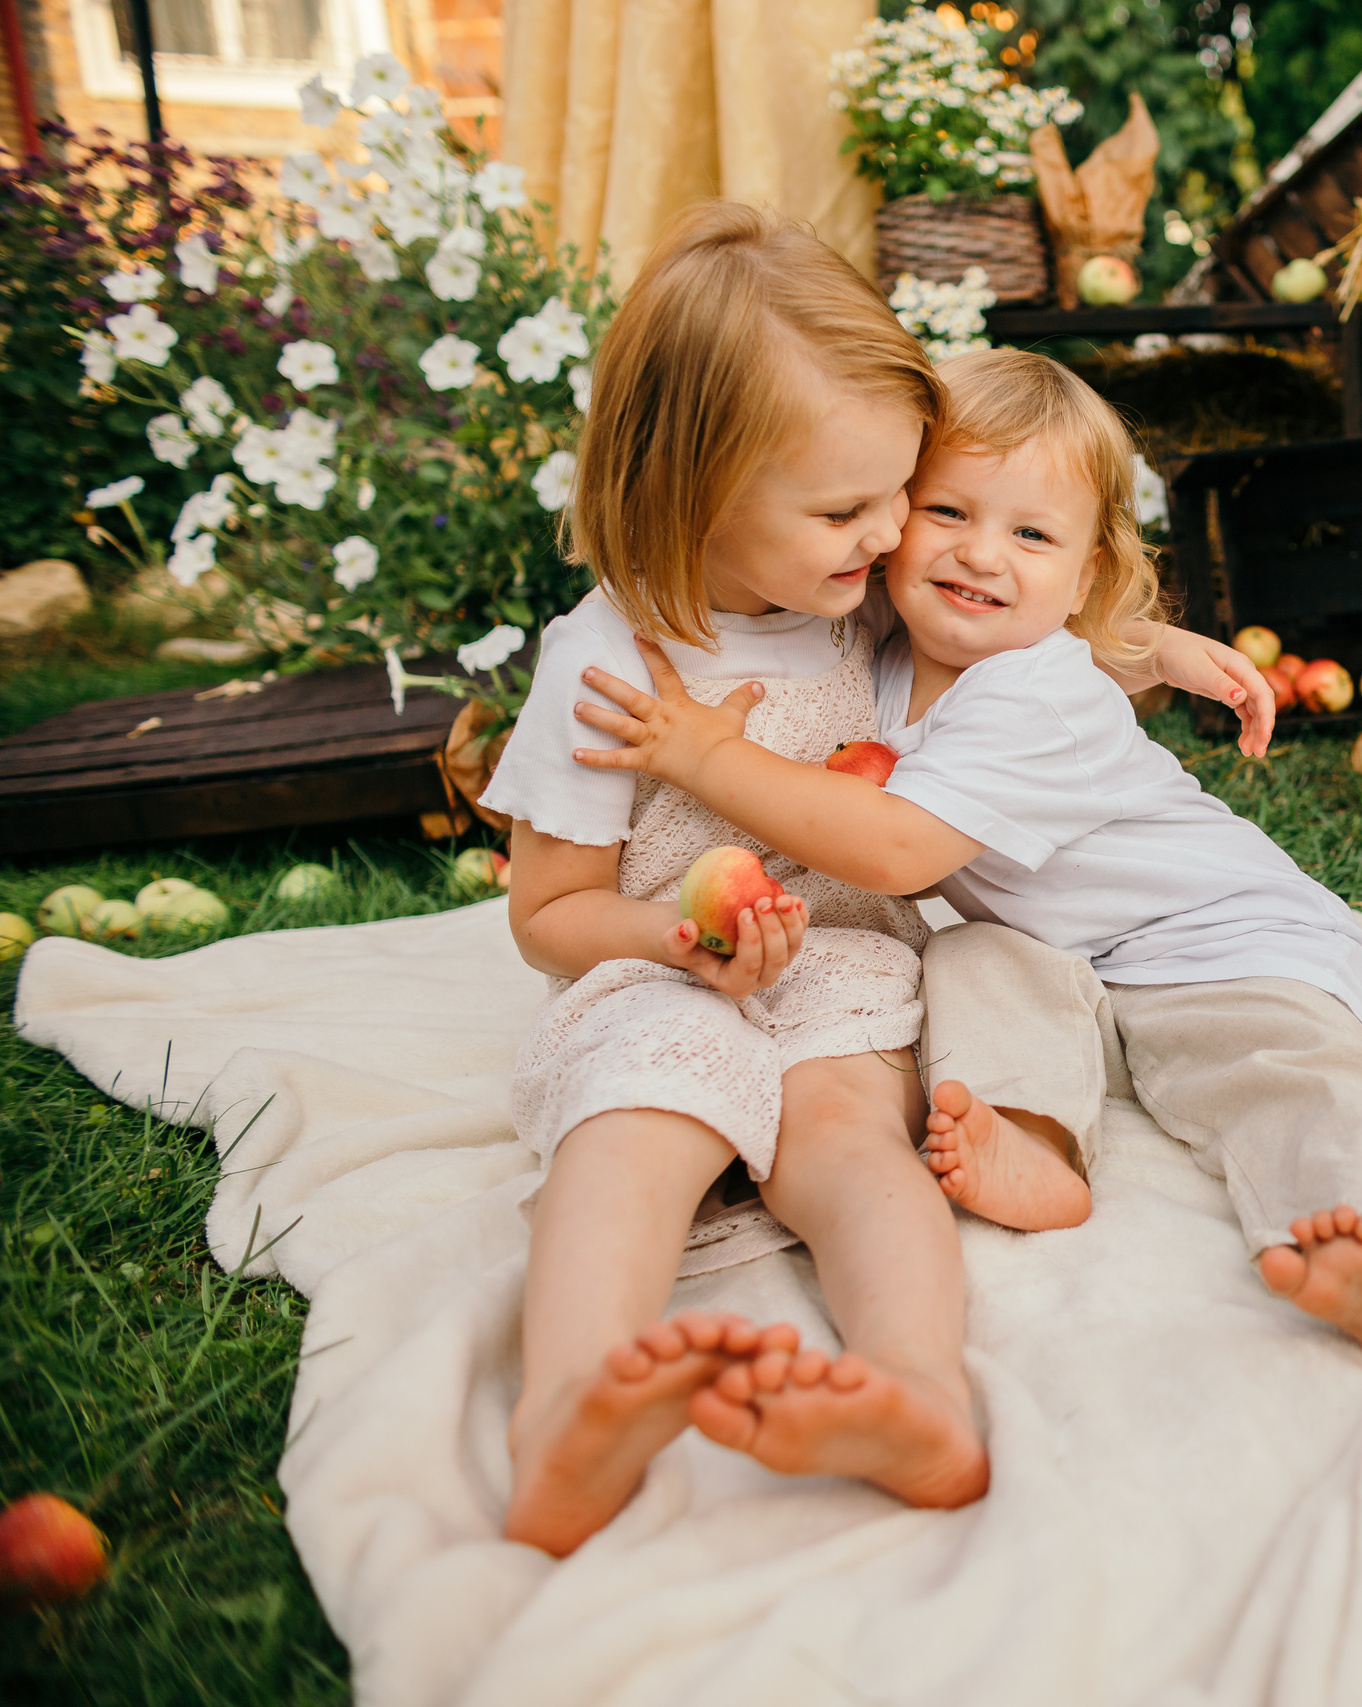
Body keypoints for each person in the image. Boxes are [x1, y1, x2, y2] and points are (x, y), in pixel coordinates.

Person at [480, 206, 1271, 1556]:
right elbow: (546, 914)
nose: (898, 531)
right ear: (696, 488)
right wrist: (679, 937)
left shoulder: (853, 583)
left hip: (842, 951)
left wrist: (1148, 644)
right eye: (853, 507)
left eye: (901, 490)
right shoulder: (608, 660)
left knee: (852, 1138)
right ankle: (566, 1408)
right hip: (660, 962)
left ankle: (917, 1385)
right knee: (634, 1117)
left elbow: (1001, 611)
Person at [569, 348, 1362, 1368]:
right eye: (948, 513)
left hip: (1216, 937)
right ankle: (1032, 1143)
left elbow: (898, 851)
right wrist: (1156, 643)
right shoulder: (888, 643)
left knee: (1276, 1070)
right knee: (967, 964)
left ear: (1083, 574)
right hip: (1061, 952)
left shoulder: (1038, 695)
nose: (980, 555)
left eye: (1030, 533)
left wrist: (706, 755)